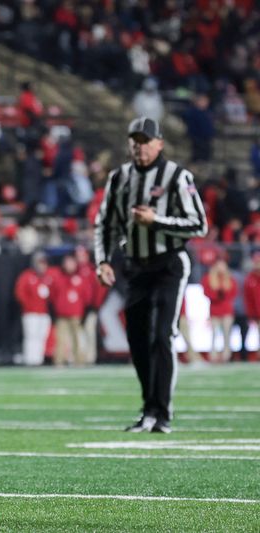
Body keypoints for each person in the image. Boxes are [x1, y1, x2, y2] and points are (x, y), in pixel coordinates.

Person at [94, 117, 207, 434]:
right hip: (136, 266)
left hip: (169, 263)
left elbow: (199, 224)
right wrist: (103, 261)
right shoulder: (119, 178)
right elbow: (105, 224)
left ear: (159, 143)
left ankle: (162, 413)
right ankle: (148, 410)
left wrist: (157, 220)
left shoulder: (177, 176)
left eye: (145, 141)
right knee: (138, 340)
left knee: (161, 335)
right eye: (135, 141)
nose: (139, 147)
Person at [14, 251, 52, 366]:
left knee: (42, 337)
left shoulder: (49, 277)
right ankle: (30, 360)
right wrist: (28, 306)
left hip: (44, 313)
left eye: (44, 263)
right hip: (30, 313)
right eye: (40, 263)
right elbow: (20, 293)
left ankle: (39, 360)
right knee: (31, 337)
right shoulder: (27, 276)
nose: (42, 265)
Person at [202, 258, 238, 363]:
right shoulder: (208, 278)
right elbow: (206, 292)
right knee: (214, 334)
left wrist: (223, 295)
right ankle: (213, 355)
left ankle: (226, 355)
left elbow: (233, 293)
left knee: (227, 334)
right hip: (214, 310)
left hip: (227, 311)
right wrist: (217, 296)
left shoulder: (230, 279)